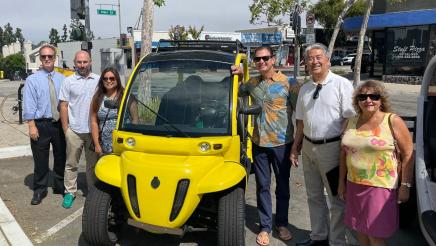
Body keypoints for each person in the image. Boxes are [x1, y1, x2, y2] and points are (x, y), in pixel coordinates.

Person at [231, 46, 299, 246]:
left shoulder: (289, 83)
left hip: (282, 144)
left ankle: (282, 224)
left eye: (265, 58)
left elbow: (300, 115)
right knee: (262, 187)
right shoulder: (252, 83)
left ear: (273, 60)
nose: (261, 62)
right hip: (259, 144)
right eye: (257, 59)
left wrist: (297, 145)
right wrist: (240, 74)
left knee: (283, 186)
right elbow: (239, 90)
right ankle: (265, 227)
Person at [290, 43, 356, 246]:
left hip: (332, 148)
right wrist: (295, 147)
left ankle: (337, 241)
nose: (314, 61)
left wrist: (344, 148)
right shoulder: (305, 89)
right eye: (310, 58)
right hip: (309, 147)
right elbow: (300, 121)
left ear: (328, 60)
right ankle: (318, 236)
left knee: (337, 198)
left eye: (318, 57)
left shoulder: (341, 84)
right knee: (314, 195)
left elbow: (350, 117)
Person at [338, 80, 414, 245]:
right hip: (354, 185)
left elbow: (408, 153)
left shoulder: (392, 121)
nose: (368, 100)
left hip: (380, 187)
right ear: (357, 100)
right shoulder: (351, 121)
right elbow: (343, 153)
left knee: (375, 234)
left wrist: (405, 186)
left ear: (381, 100)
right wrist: (341, 183)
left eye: (374, 96)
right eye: (363, 96)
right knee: (360, 230)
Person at [23, 44, 66, 205]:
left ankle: (59, 185)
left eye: (50, 56)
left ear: (55, 58)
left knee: (61, 156)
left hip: (58, 124)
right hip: (40, 124)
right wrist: (31, 125)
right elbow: (29, 104)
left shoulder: (63, 79)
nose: (47, 59)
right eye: (44, 56)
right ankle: (40, 189)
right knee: (40, 160)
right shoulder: (32, 80)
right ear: (40, 59)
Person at [59, 50, 99, 209]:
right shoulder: (68, 81)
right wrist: (65, 128)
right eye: (79, 62)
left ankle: (93, 191)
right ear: (75, 63)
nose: (82, 65)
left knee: (92, 164)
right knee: (71, 164)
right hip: (74, 131)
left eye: (85, 62)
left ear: (90, 62)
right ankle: (70, 192)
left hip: (92, 131)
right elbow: (63, 105)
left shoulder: (98, 80)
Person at [90, 67, 124, 155]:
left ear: (117, 79)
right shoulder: (97, 97)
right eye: (105, 79)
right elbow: (93, 121)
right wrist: (97, 144)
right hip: (103, 145)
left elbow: (135, 119)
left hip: (122, 144)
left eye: (112, 78)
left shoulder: (125, 96)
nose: (108, 81)